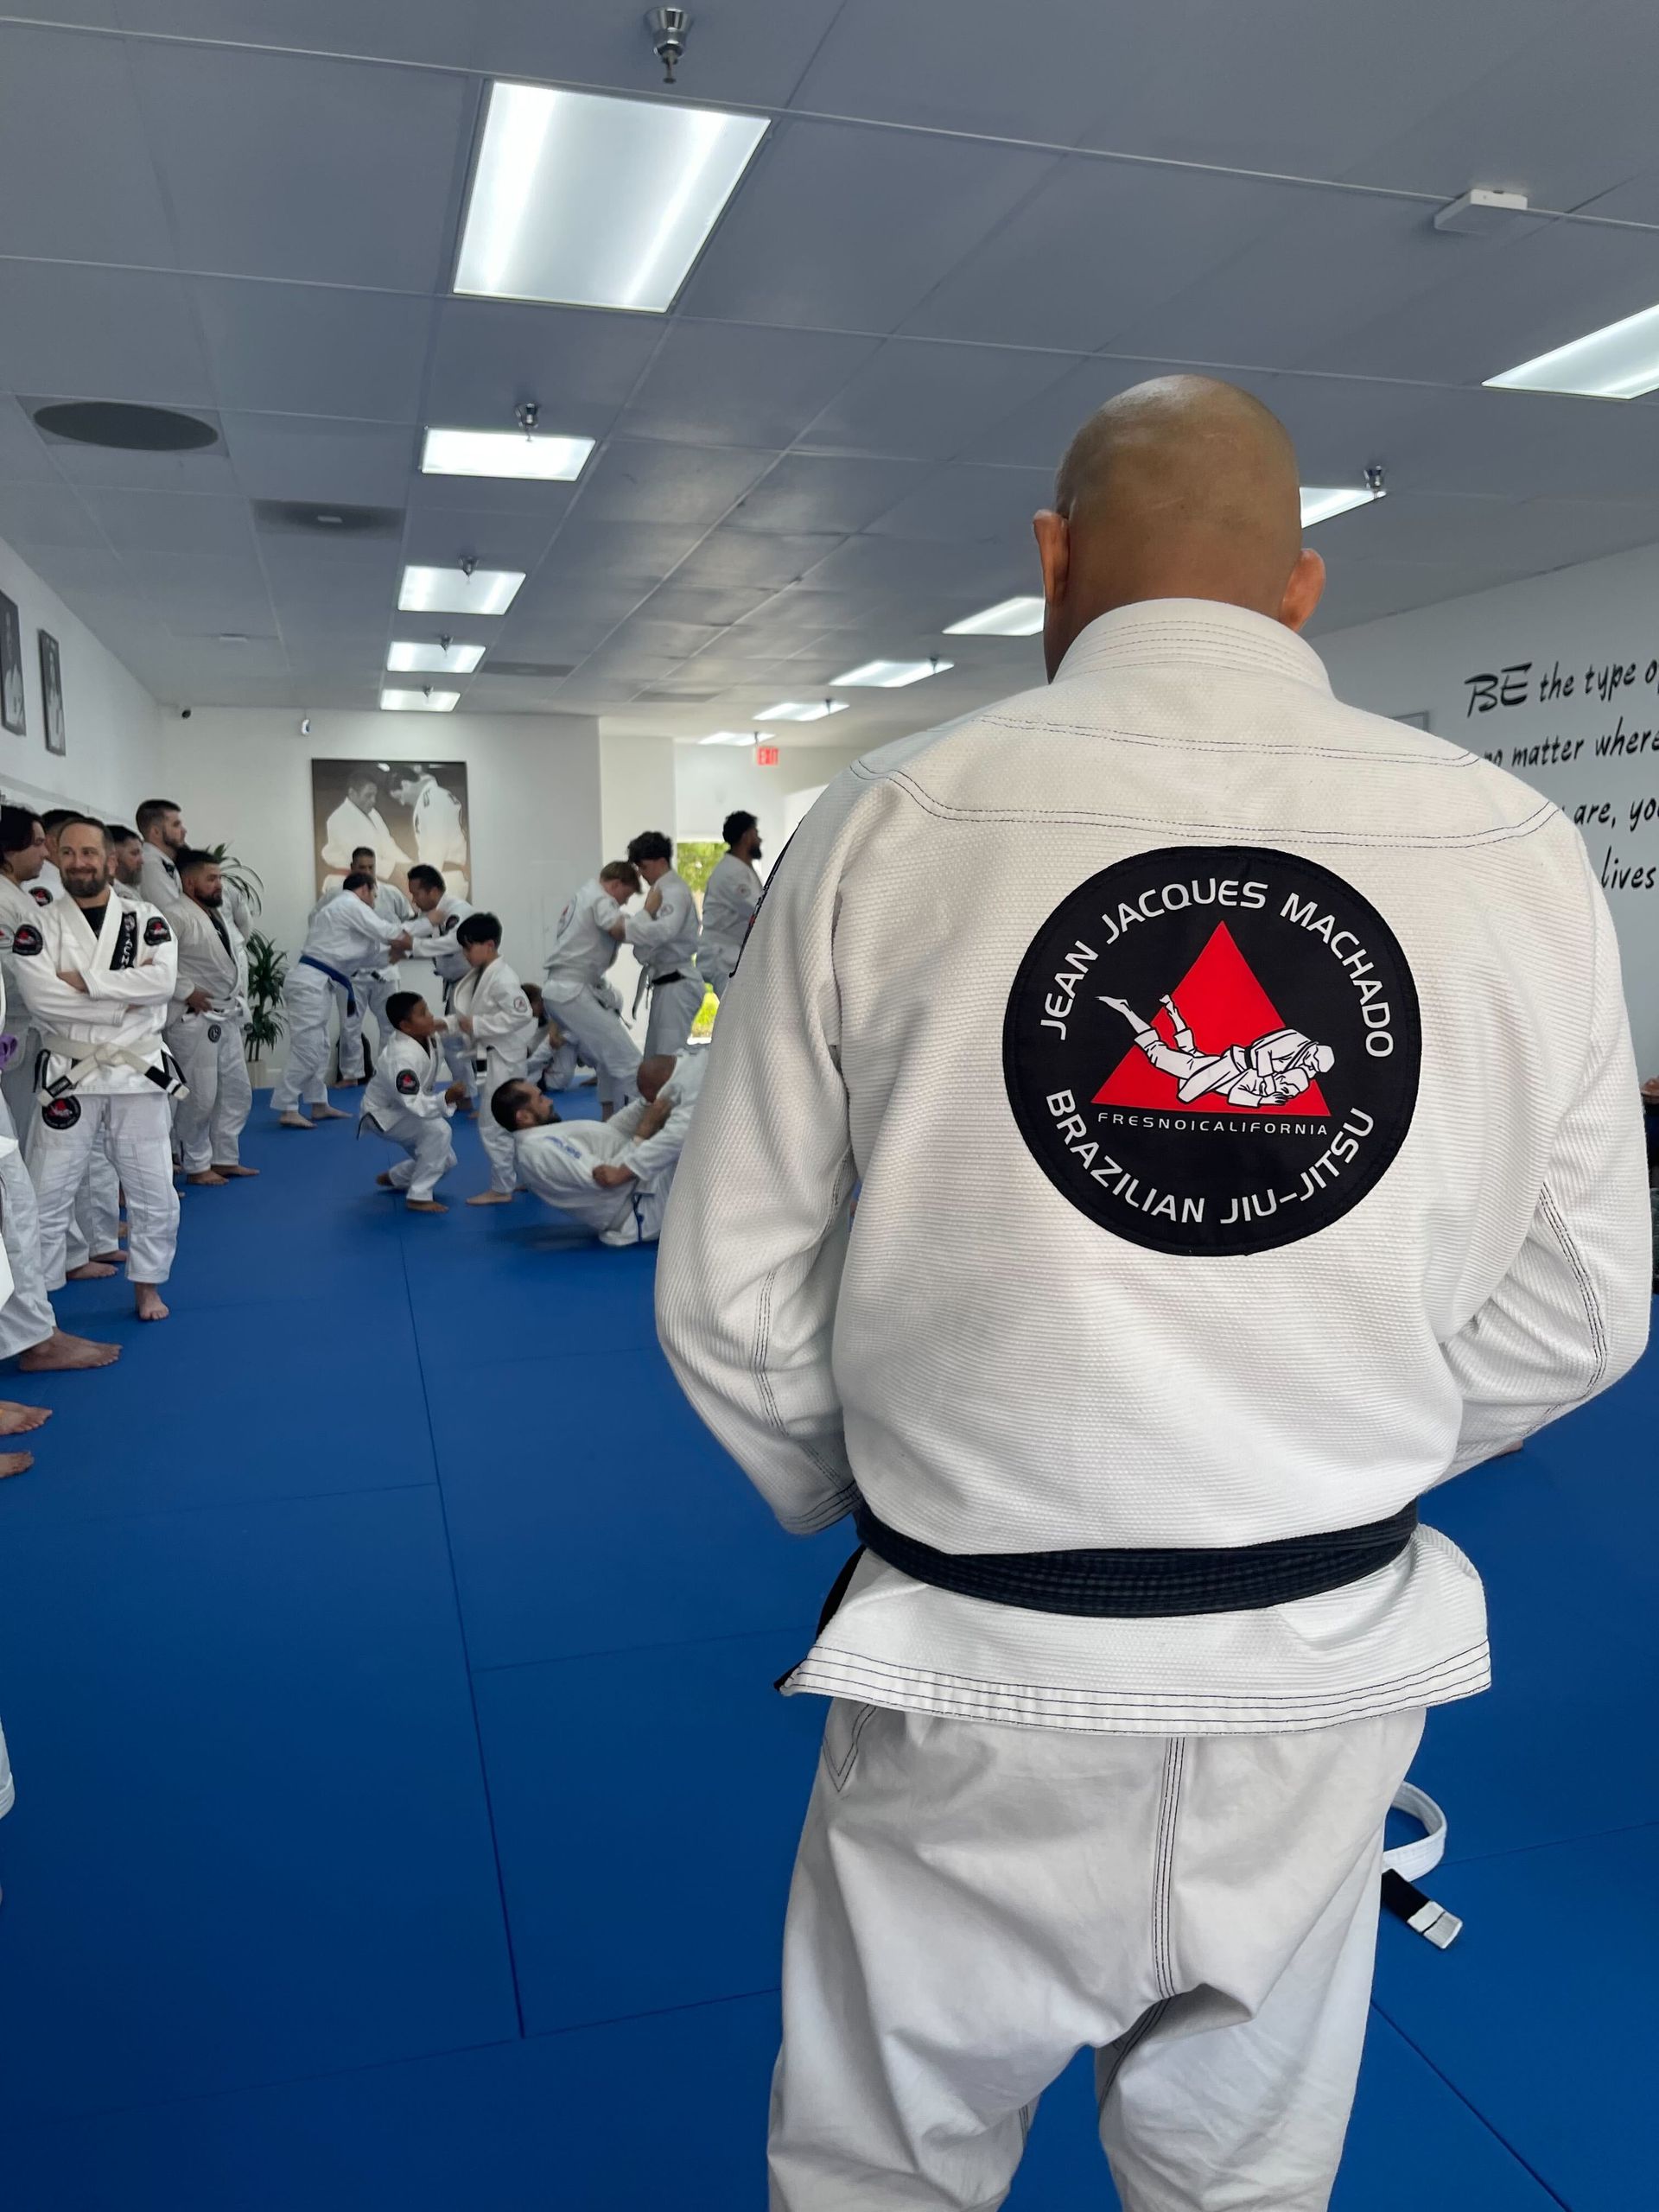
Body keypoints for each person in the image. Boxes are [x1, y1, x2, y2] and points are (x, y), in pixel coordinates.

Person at [654, 376, 1653, 2211]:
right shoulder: (1510, 841)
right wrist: (1343, 1436)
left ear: (1052, 558)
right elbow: (1586, 1306)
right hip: (1331, 1665)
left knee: (886, 2163)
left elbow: (729, 1288)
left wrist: (886, 1487)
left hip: (971, 1664)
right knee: (1245, 2175)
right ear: (1304, 586)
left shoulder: (894, 814)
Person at [13, 816, 186, 1324]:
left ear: (109, 861)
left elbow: (162, 984)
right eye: (67, 852)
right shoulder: (38, 923)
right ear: (55, 858)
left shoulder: (146, 918)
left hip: (137, 1073)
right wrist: (119, 1002)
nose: (78, 862)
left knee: (153, 1187)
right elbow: (41, 996)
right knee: (47, 1190)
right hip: (70, 1072)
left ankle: (147, 1287)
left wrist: (85, 983)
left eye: (89, 853)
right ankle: (37, 1309)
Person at [0, 807, 120, 1280]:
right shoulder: (8, 903)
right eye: (38, 843)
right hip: (21, 1038)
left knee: (52, 1153)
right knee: (35, 1155)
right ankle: (49, 1262)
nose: (45, 852)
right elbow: (24, 978)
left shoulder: (22, 899)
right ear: (9, 850)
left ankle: (69, 1251)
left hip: (38, 1033)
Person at [495, 1050, 703, 1246]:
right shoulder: (538, 1151)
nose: (549, 1101)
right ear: (524, 1117)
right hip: (642, 1208)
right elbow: (607, 1179)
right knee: (700, 1135)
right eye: (540, 1099)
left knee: (684, 1097)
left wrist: (651, 1101)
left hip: (643, 1185)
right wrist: (643, 1132)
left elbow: (610, 1134)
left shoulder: (542, 1136)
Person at [270, 872, 411, 1129]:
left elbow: (365, 956)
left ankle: (317, 1103)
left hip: (319, 983)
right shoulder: (349, 904)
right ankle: (287, 1106)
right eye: (375, 895)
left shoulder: (342, 916)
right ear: (366, 890)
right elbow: (385, 931)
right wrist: (419, 932)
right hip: (309, 983)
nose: (374, 902)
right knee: (307, 1048)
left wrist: (393, 955)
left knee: (321, 1046)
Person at [166, 848, 255, 1187]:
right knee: (200, 1096)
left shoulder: (213, 913)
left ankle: (225, 1157)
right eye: (212, 879)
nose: (219, 885)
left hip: (225, 1014)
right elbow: (157, 963)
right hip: (195, 1020)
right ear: (190, 882)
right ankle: (197, 1163)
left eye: (219, 878)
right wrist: (185, 990)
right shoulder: (174, 915)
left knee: (236, 1090)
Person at [1101, 990, 1335, 1107]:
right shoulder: (1294, 1041)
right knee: (1167, 1067)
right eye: (1312, 1064)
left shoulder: (1300, 1070)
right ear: (1312, 1051)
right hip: (1235, 1065)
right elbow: (1259, 1051)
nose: (1309, 1070)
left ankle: (1172, 1010)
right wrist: (1267, 1087)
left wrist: (1271, 1093)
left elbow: (1299, 1078)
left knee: (1191, 1056)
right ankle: (1126, 1010)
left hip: (1230, 1069)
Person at [447, 912, 537, 1205]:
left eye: (468, 946)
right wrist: (457, 1024)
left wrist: (478, 1026)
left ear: (488, 944)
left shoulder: (502, 977)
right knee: (514, 1121)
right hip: (497, 1057)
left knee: (492, 1123)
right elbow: (476, 1016)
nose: (465, 953)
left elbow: (521, 1013)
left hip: (503, 1060)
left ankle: (501, 1188)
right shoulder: (484, 974)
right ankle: (525, 1177)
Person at [543, 861, 643, 1117]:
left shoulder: (583, 896)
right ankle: (630, 1129)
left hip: (566, 988)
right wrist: (649, 918)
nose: (624, 902)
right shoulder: (601, 899)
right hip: (572, 990)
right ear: (615, 884)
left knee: (609, 1060)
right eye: (627, 895)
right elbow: (617, 929)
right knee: (629, 1062)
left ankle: (610, 1119)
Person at [360, 991, 464, 1213]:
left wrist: (468, 1022)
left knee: (446, 1160)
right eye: (423, 1013)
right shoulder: (400, 1057)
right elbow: (413, 1103)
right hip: (385, 1114)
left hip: (407, 1108)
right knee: (439, 1132)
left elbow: (447, 1025)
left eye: (427, 1009)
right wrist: (446, 1098)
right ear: (406, 1026)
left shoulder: (424, 1033)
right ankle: (418, 1196)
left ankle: (396, 1177)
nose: (430, 1016)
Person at [612, 832, 702, 1057]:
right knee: (653, 1060)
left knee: (668, 1060)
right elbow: (648, 944)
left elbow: (665, 930)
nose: (641, 875)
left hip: (677, 983)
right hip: (665, 982)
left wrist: (629, 928)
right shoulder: (661, 889)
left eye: (643, 867)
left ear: (661, 862)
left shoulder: (673, 891)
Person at [330, 844, 415, 1084]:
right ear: (352, 869)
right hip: (351, 974)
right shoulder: (337, 897)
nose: (367, 871)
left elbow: (410, 922)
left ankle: (386, 1075)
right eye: (362, 867)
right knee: (350, 1027)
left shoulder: (390, 894)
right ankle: (350, 1075)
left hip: (385, 972)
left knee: (390, 1025)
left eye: (371, 867)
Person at [402, 862, 474, 1105]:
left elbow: (455, 943)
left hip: (472, 984)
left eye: (416, 893)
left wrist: (414, 946)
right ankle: (467, 1094)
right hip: (457, 985)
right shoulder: (430, 916)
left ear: (433, 891)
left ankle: (474, 1097)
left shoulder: (458, 910)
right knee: (453, 1039)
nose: (414, 900)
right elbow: (409, 936)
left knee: (463, 1039)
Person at [696, 810, 764, 1002]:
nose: (759, 839)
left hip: (731, 956)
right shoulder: (731, 873)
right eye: (756, 833)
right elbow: (759, 911)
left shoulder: (742, 869)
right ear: (747, 836)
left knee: (744, 1019)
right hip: (723, 957)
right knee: (737, 1020)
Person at [321, 770, 410, 889]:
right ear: (352, 793)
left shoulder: (373, 814)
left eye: (374, 795)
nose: (373, 800)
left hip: (373, 878)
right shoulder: (339, 819)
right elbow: (362, 860)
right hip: (345, 883)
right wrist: (396, 869)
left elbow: (388, 845)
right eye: (368, 795)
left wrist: (409, 865)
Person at [389, 766, 467, 897]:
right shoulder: (436, 795)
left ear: (405, 784)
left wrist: (427, 884)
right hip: (446, 875)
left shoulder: (431, 799)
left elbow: (436, 845)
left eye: (399, 797)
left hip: (444, 877)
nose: (402, 803)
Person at [134, 798, 188, 912]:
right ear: (156, 832)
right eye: (176, 825)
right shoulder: (150, 864)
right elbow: (173, 914)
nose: (184, 831)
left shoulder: (162, 861)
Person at [105, 824, 144, 893]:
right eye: (134, 853)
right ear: (112, 857)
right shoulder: (112, 893)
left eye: (141, 854)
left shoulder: (131, 889)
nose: (142, 861)